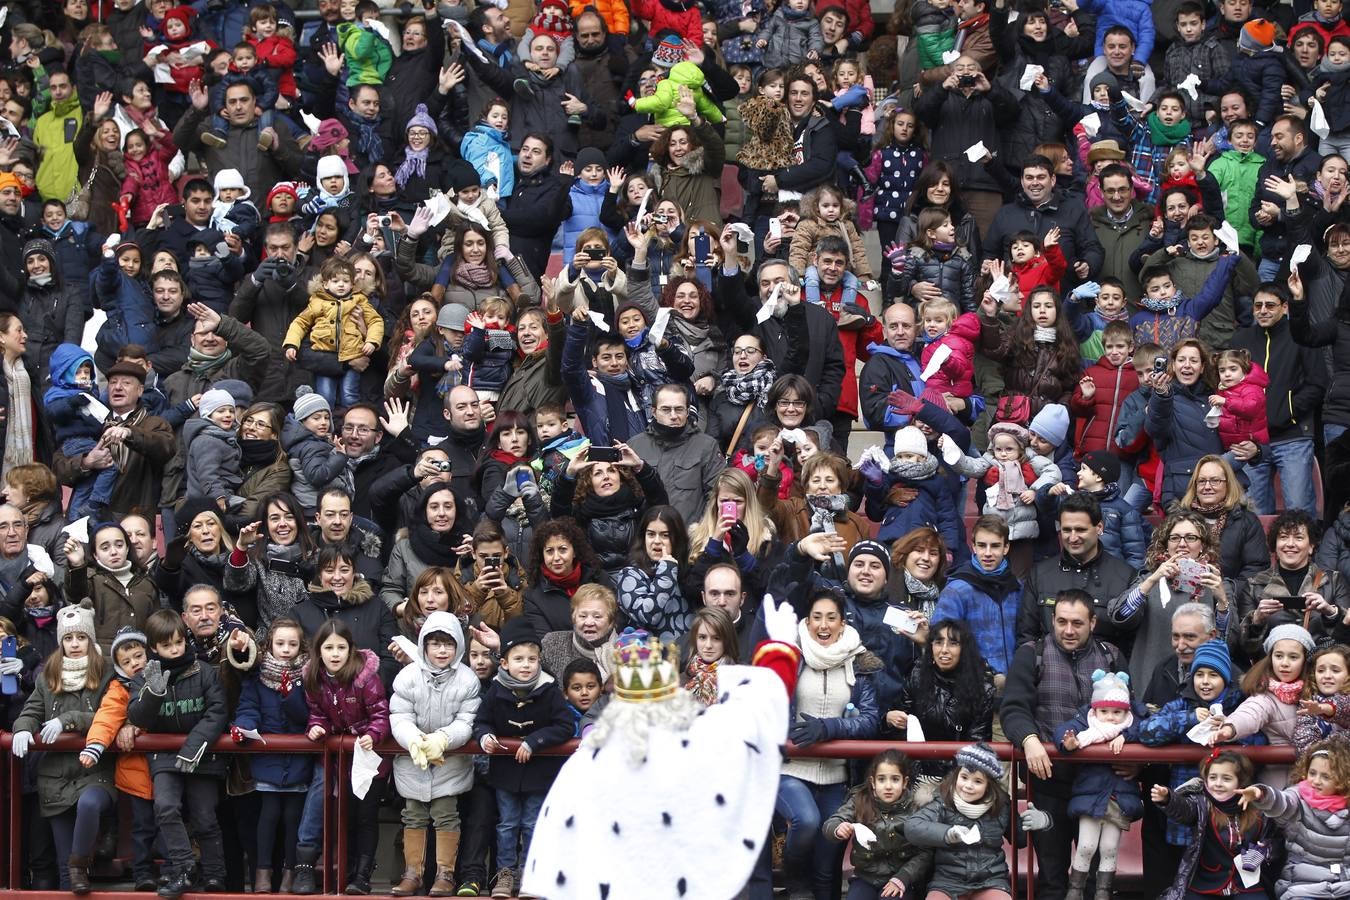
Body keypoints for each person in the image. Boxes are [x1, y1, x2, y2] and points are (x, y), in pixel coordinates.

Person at [1000, 589, 1126, 900]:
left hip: (1099, 784)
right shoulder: (1032, 653)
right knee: (1052, 878)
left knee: (1098, 878)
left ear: (1093, 623)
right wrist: (1029, 739)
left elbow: (1130, 711)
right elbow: (1013, 707)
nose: (1068, 630)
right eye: (1061, 622)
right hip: (1048, 784)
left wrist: (1132, 756)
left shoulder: (1111, 656)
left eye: (1077, 623)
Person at [777, 589, 880, 898]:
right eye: (816, 617)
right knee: (806, 821)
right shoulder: (789, 655)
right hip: (792, 770)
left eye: (831, 618)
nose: (823, 625)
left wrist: (828, 728)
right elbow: (770, 705)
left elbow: (870, 719)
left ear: (842, 622)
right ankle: (795, 883)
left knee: (828, 865)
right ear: (807, 621)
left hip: (837, 779)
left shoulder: (860, 662)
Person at [9, 600, 115, 893]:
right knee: (65, 869)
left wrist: (68, 720)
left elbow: (111, 714)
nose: (75, 643)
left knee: (90, 804)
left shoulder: (105, 670)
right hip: (54, 776)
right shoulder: (48, 673)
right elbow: (31, 711)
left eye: (81, 637)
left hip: (94, 769)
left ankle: (88, 856)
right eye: (68, 638)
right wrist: (22, 728)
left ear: (90, 638)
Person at [128, 608, 229, 899]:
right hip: (164, 757)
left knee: (204, 815)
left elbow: (218, 712)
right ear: (154, 648)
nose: (174, 650)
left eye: (179, 643)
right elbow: (138, 717)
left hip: (202, 754)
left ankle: (214, 875)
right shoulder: (143, 678)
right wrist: (154, 693)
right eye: (166, 645)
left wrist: (193, 746)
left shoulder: (206, 672)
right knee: (166, 807)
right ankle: (184, 868)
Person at [472, 617, 572, 900]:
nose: (526, 665)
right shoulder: (496, 689)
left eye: (532, 658)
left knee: (531, 824)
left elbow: (565, 725)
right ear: (504, 662)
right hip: (505, 773)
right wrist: (485, 737)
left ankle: (531, 874)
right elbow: (481, 721)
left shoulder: (549, 689)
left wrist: (535, 740)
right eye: (519, 659)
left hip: (538, 773)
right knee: (506, 824)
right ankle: (505, 873)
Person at [389, 611, 481, 898]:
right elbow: (399, 715)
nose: (442, 650)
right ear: (423, 646)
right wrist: (414, 739)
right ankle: (412, 873)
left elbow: (466, 721)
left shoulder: (468, 679)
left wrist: (443, 738)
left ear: (458, 647)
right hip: (413, 758)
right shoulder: (407, 676)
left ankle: (445, 874)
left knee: (445, 814)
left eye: (448, 644)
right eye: (435, 644)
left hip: (450, 760)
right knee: (413, 815)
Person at [298, 619, 389, 895]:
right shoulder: (314, 678)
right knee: (344, 815)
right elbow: (317, 713)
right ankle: (346, 874)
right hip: (341, 761)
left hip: (370, 759)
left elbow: (381, 713)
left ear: (351, 649)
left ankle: (362, 875)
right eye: (329, 647)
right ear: (319, 650)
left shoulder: (365, 677)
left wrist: (373, 734)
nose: (335, 654)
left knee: (365, 816)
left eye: (341, 647)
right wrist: (317, 727)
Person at [904, 743, 1053, 900]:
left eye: (977, 781)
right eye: (964, 777)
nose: (968, 786)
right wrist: (947, 834)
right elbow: (912, 827)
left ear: (989, 785)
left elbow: (1020, 839)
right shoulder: (943, 802)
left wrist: (1042, 822)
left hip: (990, 881)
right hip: (947, 883)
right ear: (956, 776)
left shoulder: (1001, 805)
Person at [231, 617, 311, 895]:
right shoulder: (257, 677)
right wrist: (245, 727)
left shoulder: (308, 677)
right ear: (269, 645)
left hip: (299, 762)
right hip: (268, 761)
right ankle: (262, 873)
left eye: (292, 644)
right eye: (280, 643)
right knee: (268, 814)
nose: (286, 649)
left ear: (302, 647)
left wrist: (292, 696)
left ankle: (290, 873)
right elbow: (248, 708)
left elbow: (308, 717)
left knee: (293, 817)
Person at [1109, 512, 1227, 687]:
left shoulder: (1216, 583)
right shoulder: (1148, 580)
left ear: (1202, 545)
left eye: (1191, 537)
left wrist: (1223, 602)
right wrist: (1152, 580)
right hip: (1152, 679)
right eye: (1174, 538)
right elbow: (1120, 617)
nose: (1182, 544)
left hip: (1202, 681)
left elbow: (1226, 639)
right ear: (1165, 546)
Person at [1018, 494, 1138, 649]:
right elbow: (1027, 638)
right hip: (1050, 670)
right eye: (1067, 530)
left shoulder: (1125, 576)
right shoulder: (1040, 574)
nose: (1073, 538)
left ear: (1100, 527)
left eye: (1080, 530)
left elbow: (1132, 643)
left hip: (1106, 671)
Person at [1153, 749, 1275, 900]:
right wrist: (1167, 798)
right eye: (1212, 777)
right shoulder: (1202, 804)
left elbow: (1272, 837)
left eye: (1226, 779)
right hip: (1206, 883)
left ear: (1241, 782)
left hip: (1246, 884)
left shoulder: (1256, 810)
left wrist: (1262, 851)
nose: (1218, 784)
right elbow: (1183, 809)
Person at [822, 750, 931, 900]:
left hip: (900, 877)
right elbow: (832, 822)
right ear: (873, 782)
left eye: (895, 779)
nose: (888, 786)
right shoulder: (859, 800)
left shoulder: (916, 807)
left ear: (905, 782)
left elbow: (925, 852)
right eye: (881, 779)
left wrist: (903, 878)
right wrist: (837, 828)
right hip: (865, 877)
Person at [627, 384, 725, 523]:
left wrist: (701, 534)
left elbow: (717, 496)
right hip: (648, 538)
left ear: (687, 412)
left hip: (690, 538)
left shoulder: (706, 446)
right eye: (666, 410)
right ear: (653, 412)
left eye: (679, 409)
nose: (673, 416)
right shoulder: (635, 446)